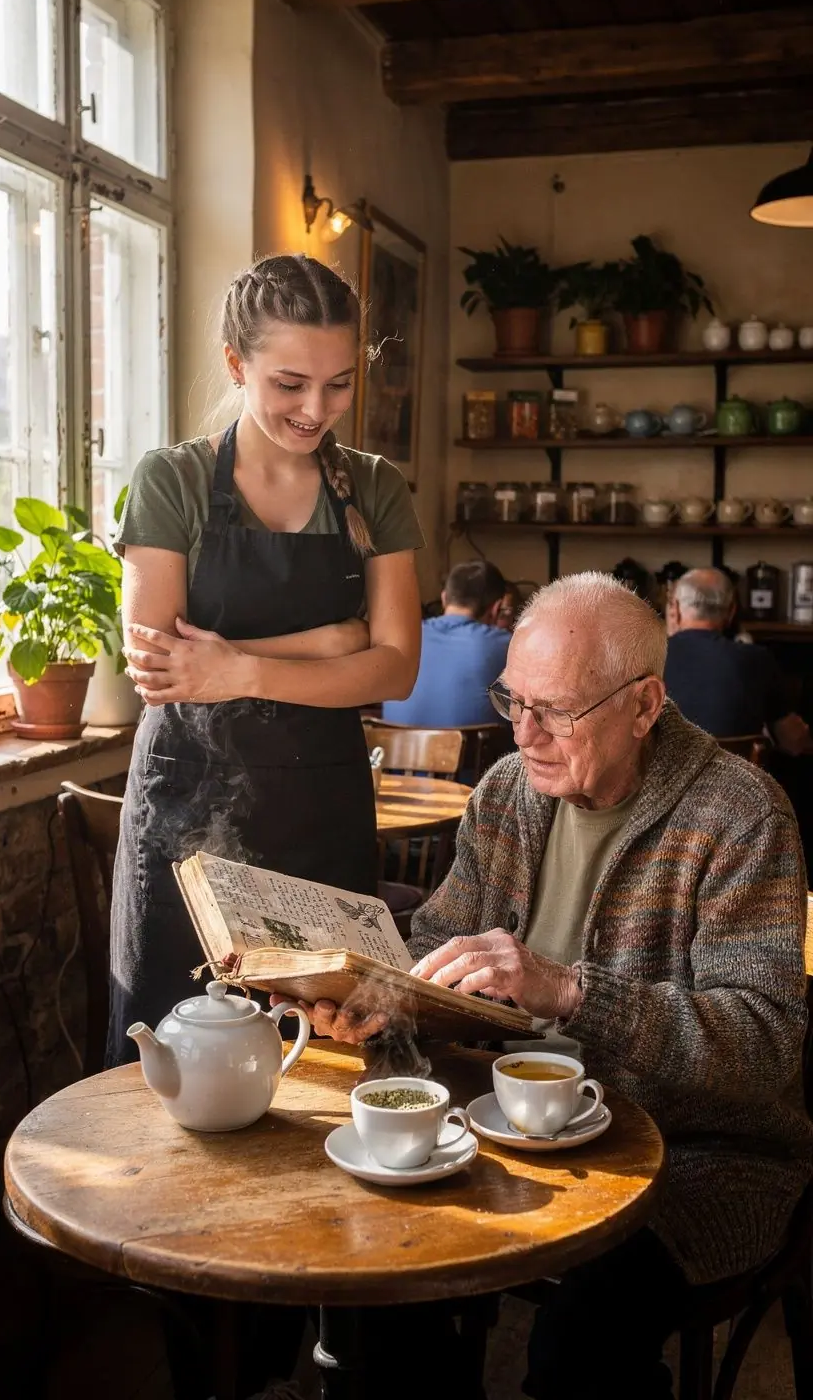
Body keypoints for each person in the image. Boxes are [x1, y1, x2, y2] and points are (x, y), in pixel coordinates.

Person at [292, 572, 812, 1400]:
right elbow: (435, 943)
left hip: (697, 1151)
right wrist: (378, 999)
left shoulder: (741, 815)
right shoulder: (507, 792)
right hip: (509, 1118)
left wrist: (570, 990)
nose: (523, 734)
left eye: (556, 712)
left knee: (584, 1343)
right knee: (377, 1267)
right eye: (513, 701)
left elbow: (760, 1044)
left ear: (644, 706)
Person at [111, 253, 424, 1070]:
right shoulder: (173, 479)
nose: (316, 409)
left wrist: (240, 668)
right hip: (187, 821)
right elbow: (159, 667)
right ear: (234, 364)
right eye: (290, 383)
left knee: (328, 1056)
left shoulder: (374, 491)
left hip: (324, 812)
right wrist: (326, 644)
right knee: (176, 1058)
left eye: (338, 383)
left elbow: (395, 670)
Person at [665, 567, 813, 754]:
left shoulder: (649, 656)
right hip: (738, 782)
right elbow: (794, 741)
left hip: (664, 781)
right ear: (732, 611)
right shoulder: (758, 659)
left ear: (676, 609)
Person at [381, 559, 511, 728]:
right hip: (469, 753)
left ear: (444, 598)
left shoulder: (404, 637)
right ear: (496, 608)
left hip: (395, 751)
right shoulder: (505, 645)